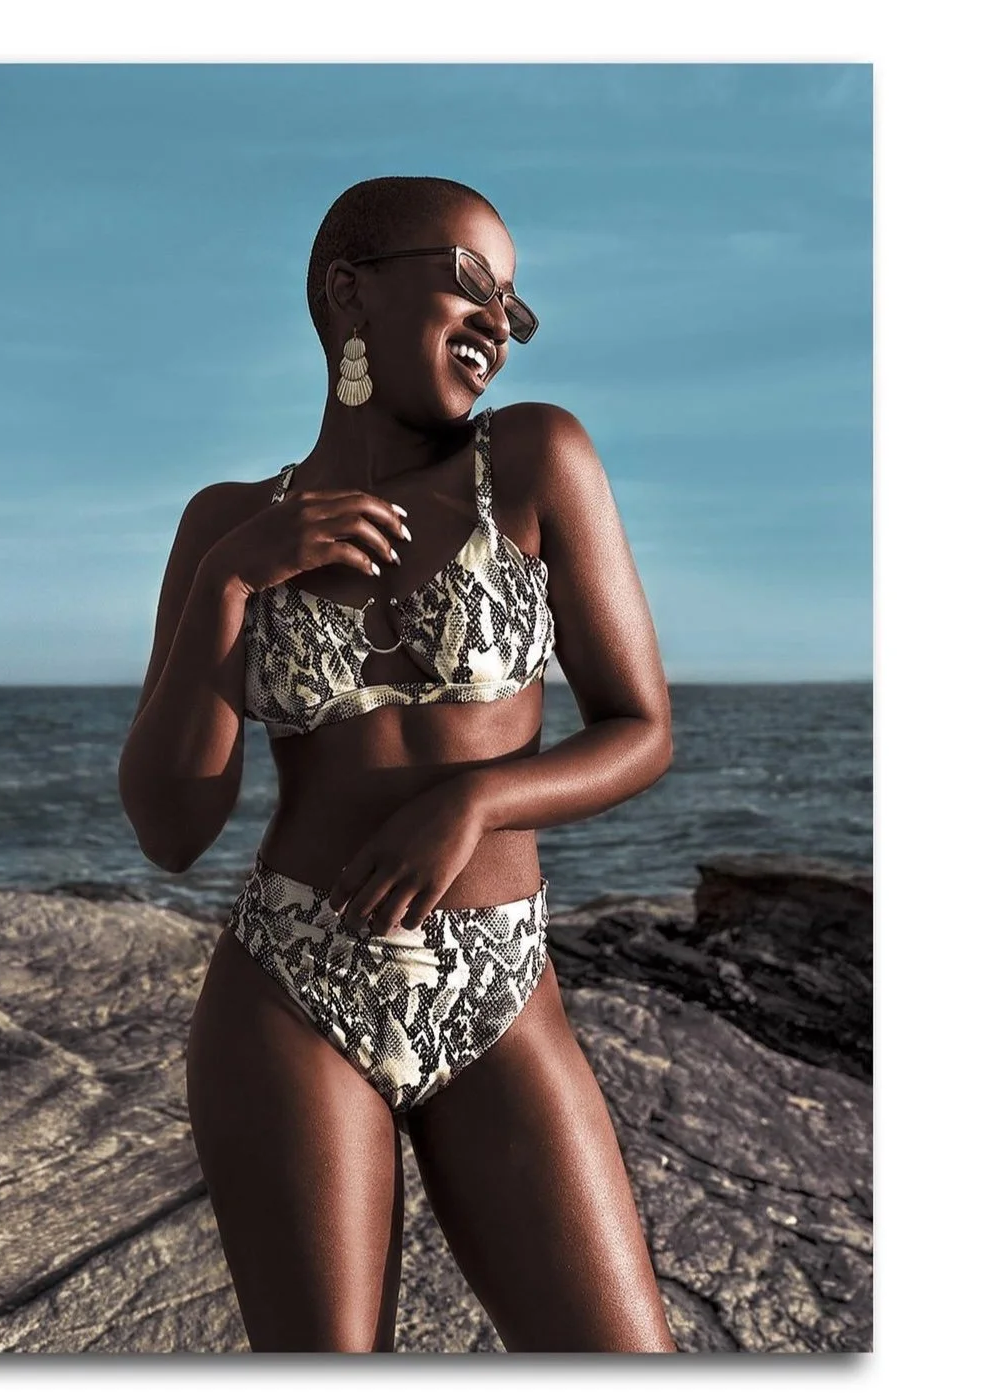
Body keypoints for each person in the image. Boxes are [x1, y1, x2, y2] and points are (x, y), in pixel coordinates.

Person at [118, 176, 677, 1354]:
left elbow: (639, 729)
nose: (497, 325)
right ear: (348, 291)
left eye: (513, 312)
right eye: (472, 284)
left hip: (500, 987)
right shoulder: (227, 521)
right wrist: (232, 577)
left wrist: (479, 799)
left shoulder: (533, 460)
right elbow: (171, 825)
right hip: (289, 989)